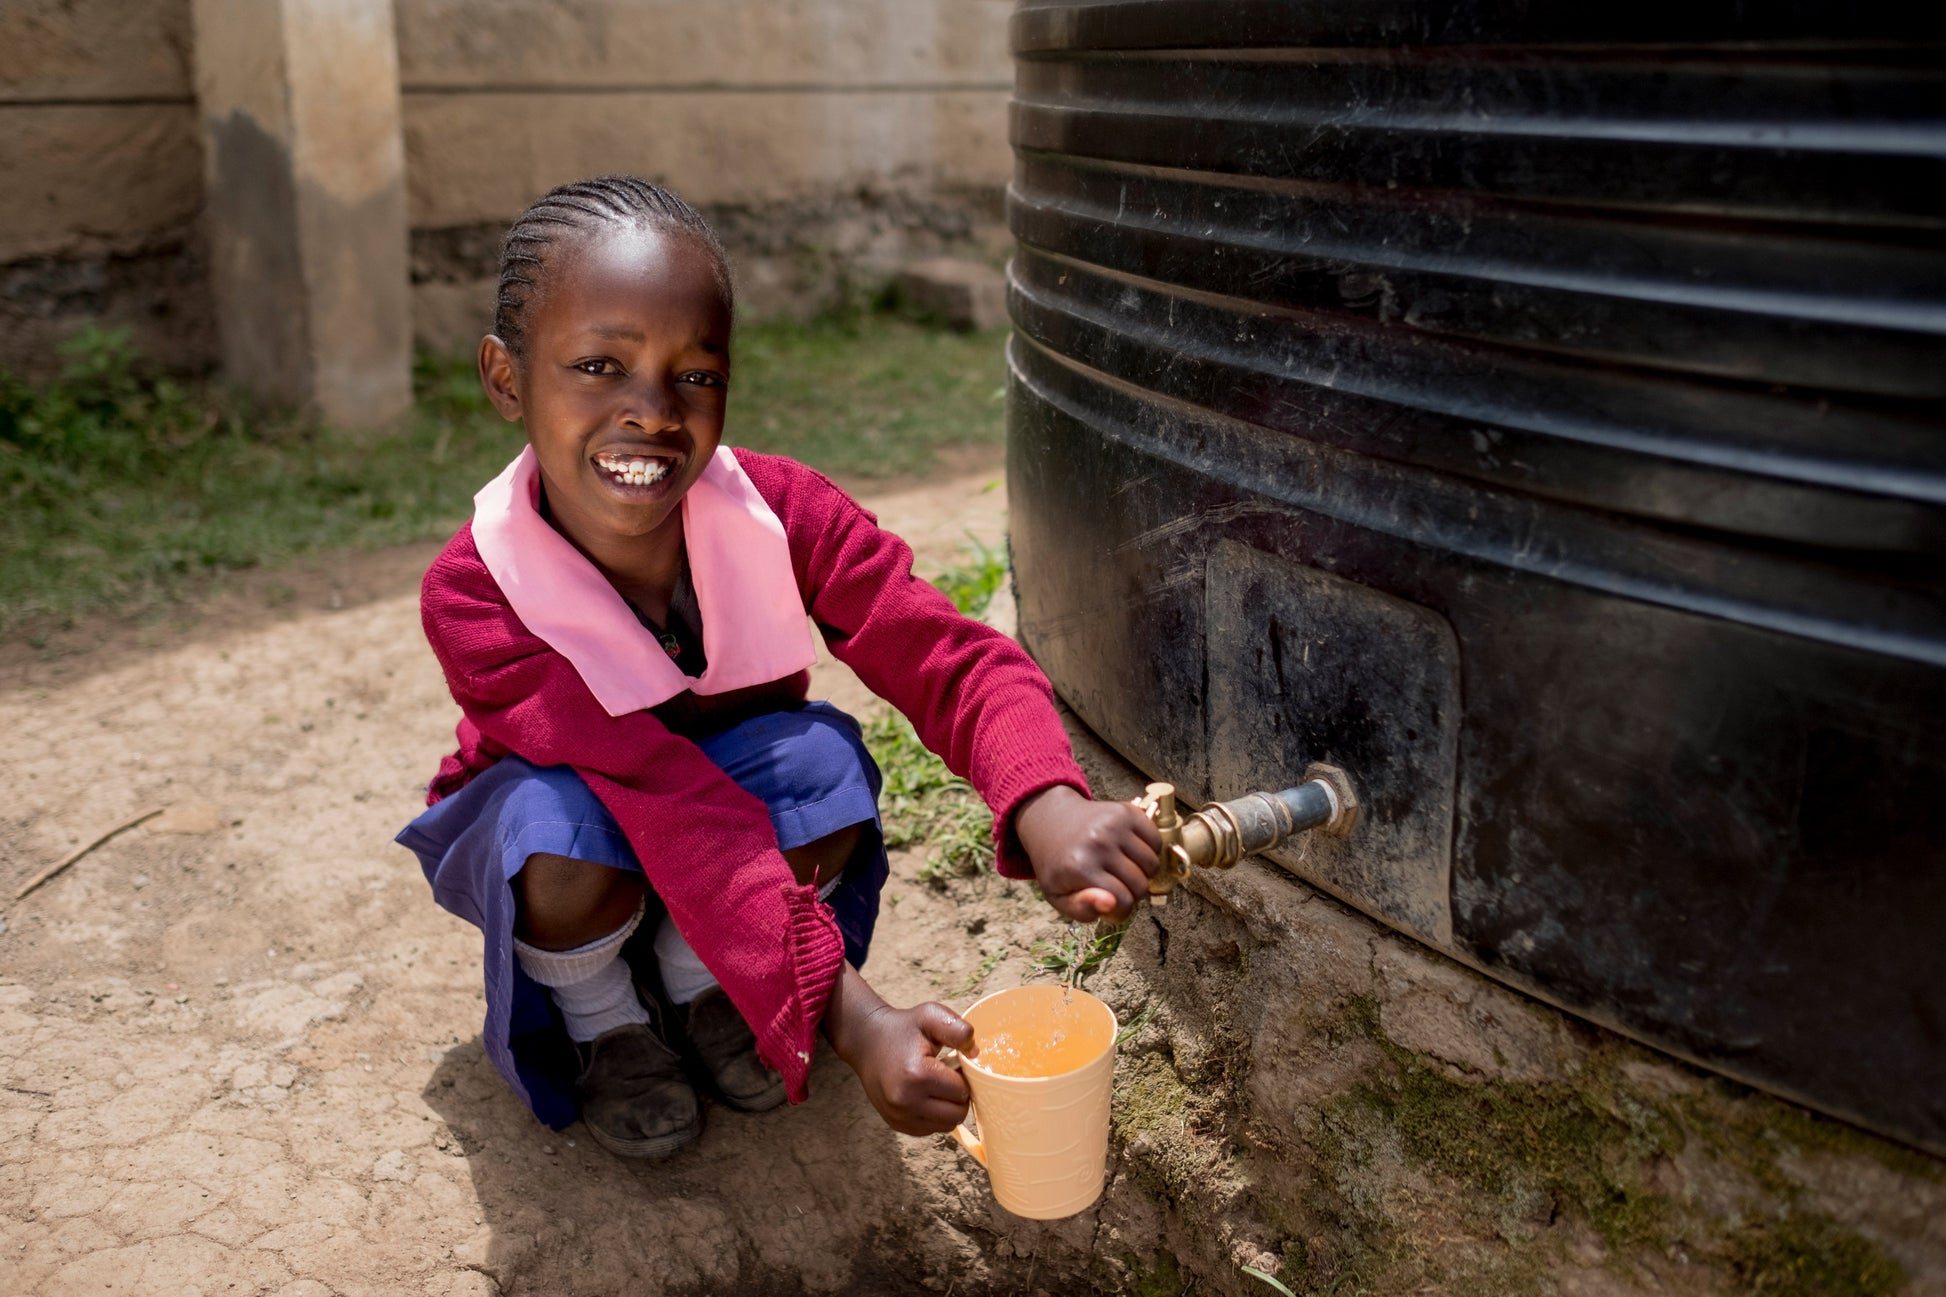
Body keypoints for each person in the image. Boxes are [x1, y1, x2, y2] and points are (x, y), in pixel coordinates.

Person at [396, 175, 1161, 1159]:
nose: (653, 412)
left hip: (719, 820)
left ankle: (699, 979)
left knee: (820, 765)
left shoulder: (780, 512)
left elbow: (939, 651)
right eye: (598, 365)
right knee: (556, 829)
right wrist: (852, 1015)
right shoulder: (475, 592)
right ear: (505, 378)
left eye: (695, 375)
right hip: (582, 830)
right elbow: (665, 797)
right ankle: (604, 1021)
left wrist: (1044, 800)